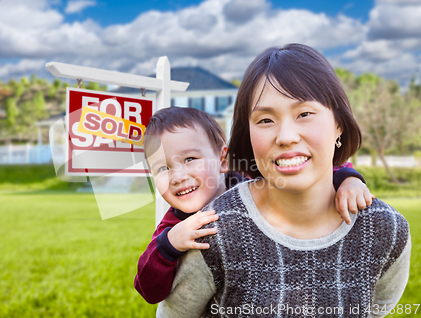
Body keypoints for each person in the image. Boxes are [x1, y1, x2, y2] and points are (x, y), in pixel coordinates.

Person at [156, 44, 411, 318]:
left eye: (304, 114)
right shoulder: (213, 231)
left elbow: (376, 310)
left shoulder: (385, 229)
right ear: (248, 134)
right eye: (265, 120)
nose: (286, 136)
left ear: (338, 123)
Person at [135, 107, 373, 304]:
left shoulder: (252, 183)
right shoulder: (173, 225)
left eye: (189, 159)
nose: (177, 176)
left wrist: (348, 179)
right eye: (162, 169)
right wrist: (169, 245)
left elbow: (309, 171)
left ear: (223, 160)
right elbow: (149, 291)